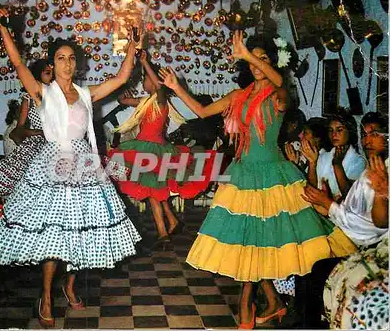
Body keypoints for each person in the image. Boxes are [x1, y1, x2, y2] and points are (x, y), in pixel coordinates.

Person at [159, 30, 357, 329]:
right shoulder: (240, 95)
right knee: (251, 241)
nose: (256, 64)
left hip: (273, 175)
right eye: (252, 60)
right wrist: (176, 87)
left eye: (263, 59)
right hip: (244, 173)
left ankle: (248, 304)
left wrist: (248, 53)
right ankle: (272, 302)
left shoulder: (279, 94)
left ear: (271, 62)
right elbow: (201, 110)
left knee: (264, 241)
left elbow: (277, 81)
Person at [0, 8, 142, 328]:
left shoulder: (86, 94)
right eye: (61, 57)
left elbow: (122, 78)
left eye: (72, 58)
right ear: (52, 63)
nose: (67, 63)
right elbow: (17, 64)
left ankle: (69, 286)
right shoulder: (43, 93)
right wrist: (3, 28)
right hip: (51, 166)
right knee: (54, 238)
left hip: (84, 166)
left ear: (77, 63)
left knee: (81, 234)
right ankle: (46, 296)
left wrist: (132, 48)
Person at [110, 50, 214, 243]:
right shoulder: (145, 102)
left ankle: (163, 232)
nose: (143, 83)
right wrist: (123, 95)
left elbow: (158, 86)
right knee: (156, 191)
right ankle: (172, 221)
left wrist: (145, 63)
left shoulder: (161, 100)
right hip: (145, 149)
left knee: (153, 193)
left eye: (145, 80)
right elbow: (122, 101)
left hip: (153, 150)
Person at [298, 111, 388, 328]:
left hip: (367, 244)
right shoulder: (370, 170)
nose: (367, 140)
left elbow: (374, 227)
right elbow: (349, 208)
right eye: (364, 134)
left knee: (313, 261)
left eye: (374, 134)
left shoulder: (372, 168)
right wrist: (325, 204)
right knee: (303, 250)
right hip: (347, 231)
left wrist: (328, 205)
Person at [0, 60, 53, 196]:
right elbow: (18, 131)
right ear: (37, 76)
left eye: (53, 73)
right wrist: (40, 133)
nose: (52, 76)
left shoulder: (61, 95)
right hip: (37, 143)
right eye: (47, 73)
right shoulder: (28, 98)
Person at [304, 108, 366, 201]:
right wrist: (312, 163)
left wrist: (337, 164)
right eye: (330, 130)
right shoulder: (324, 156)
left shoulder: (358, 161)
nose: (334, 134)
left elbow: (351, 197)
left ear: (350, 132)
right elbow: (312, 189)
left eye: (339, 130)